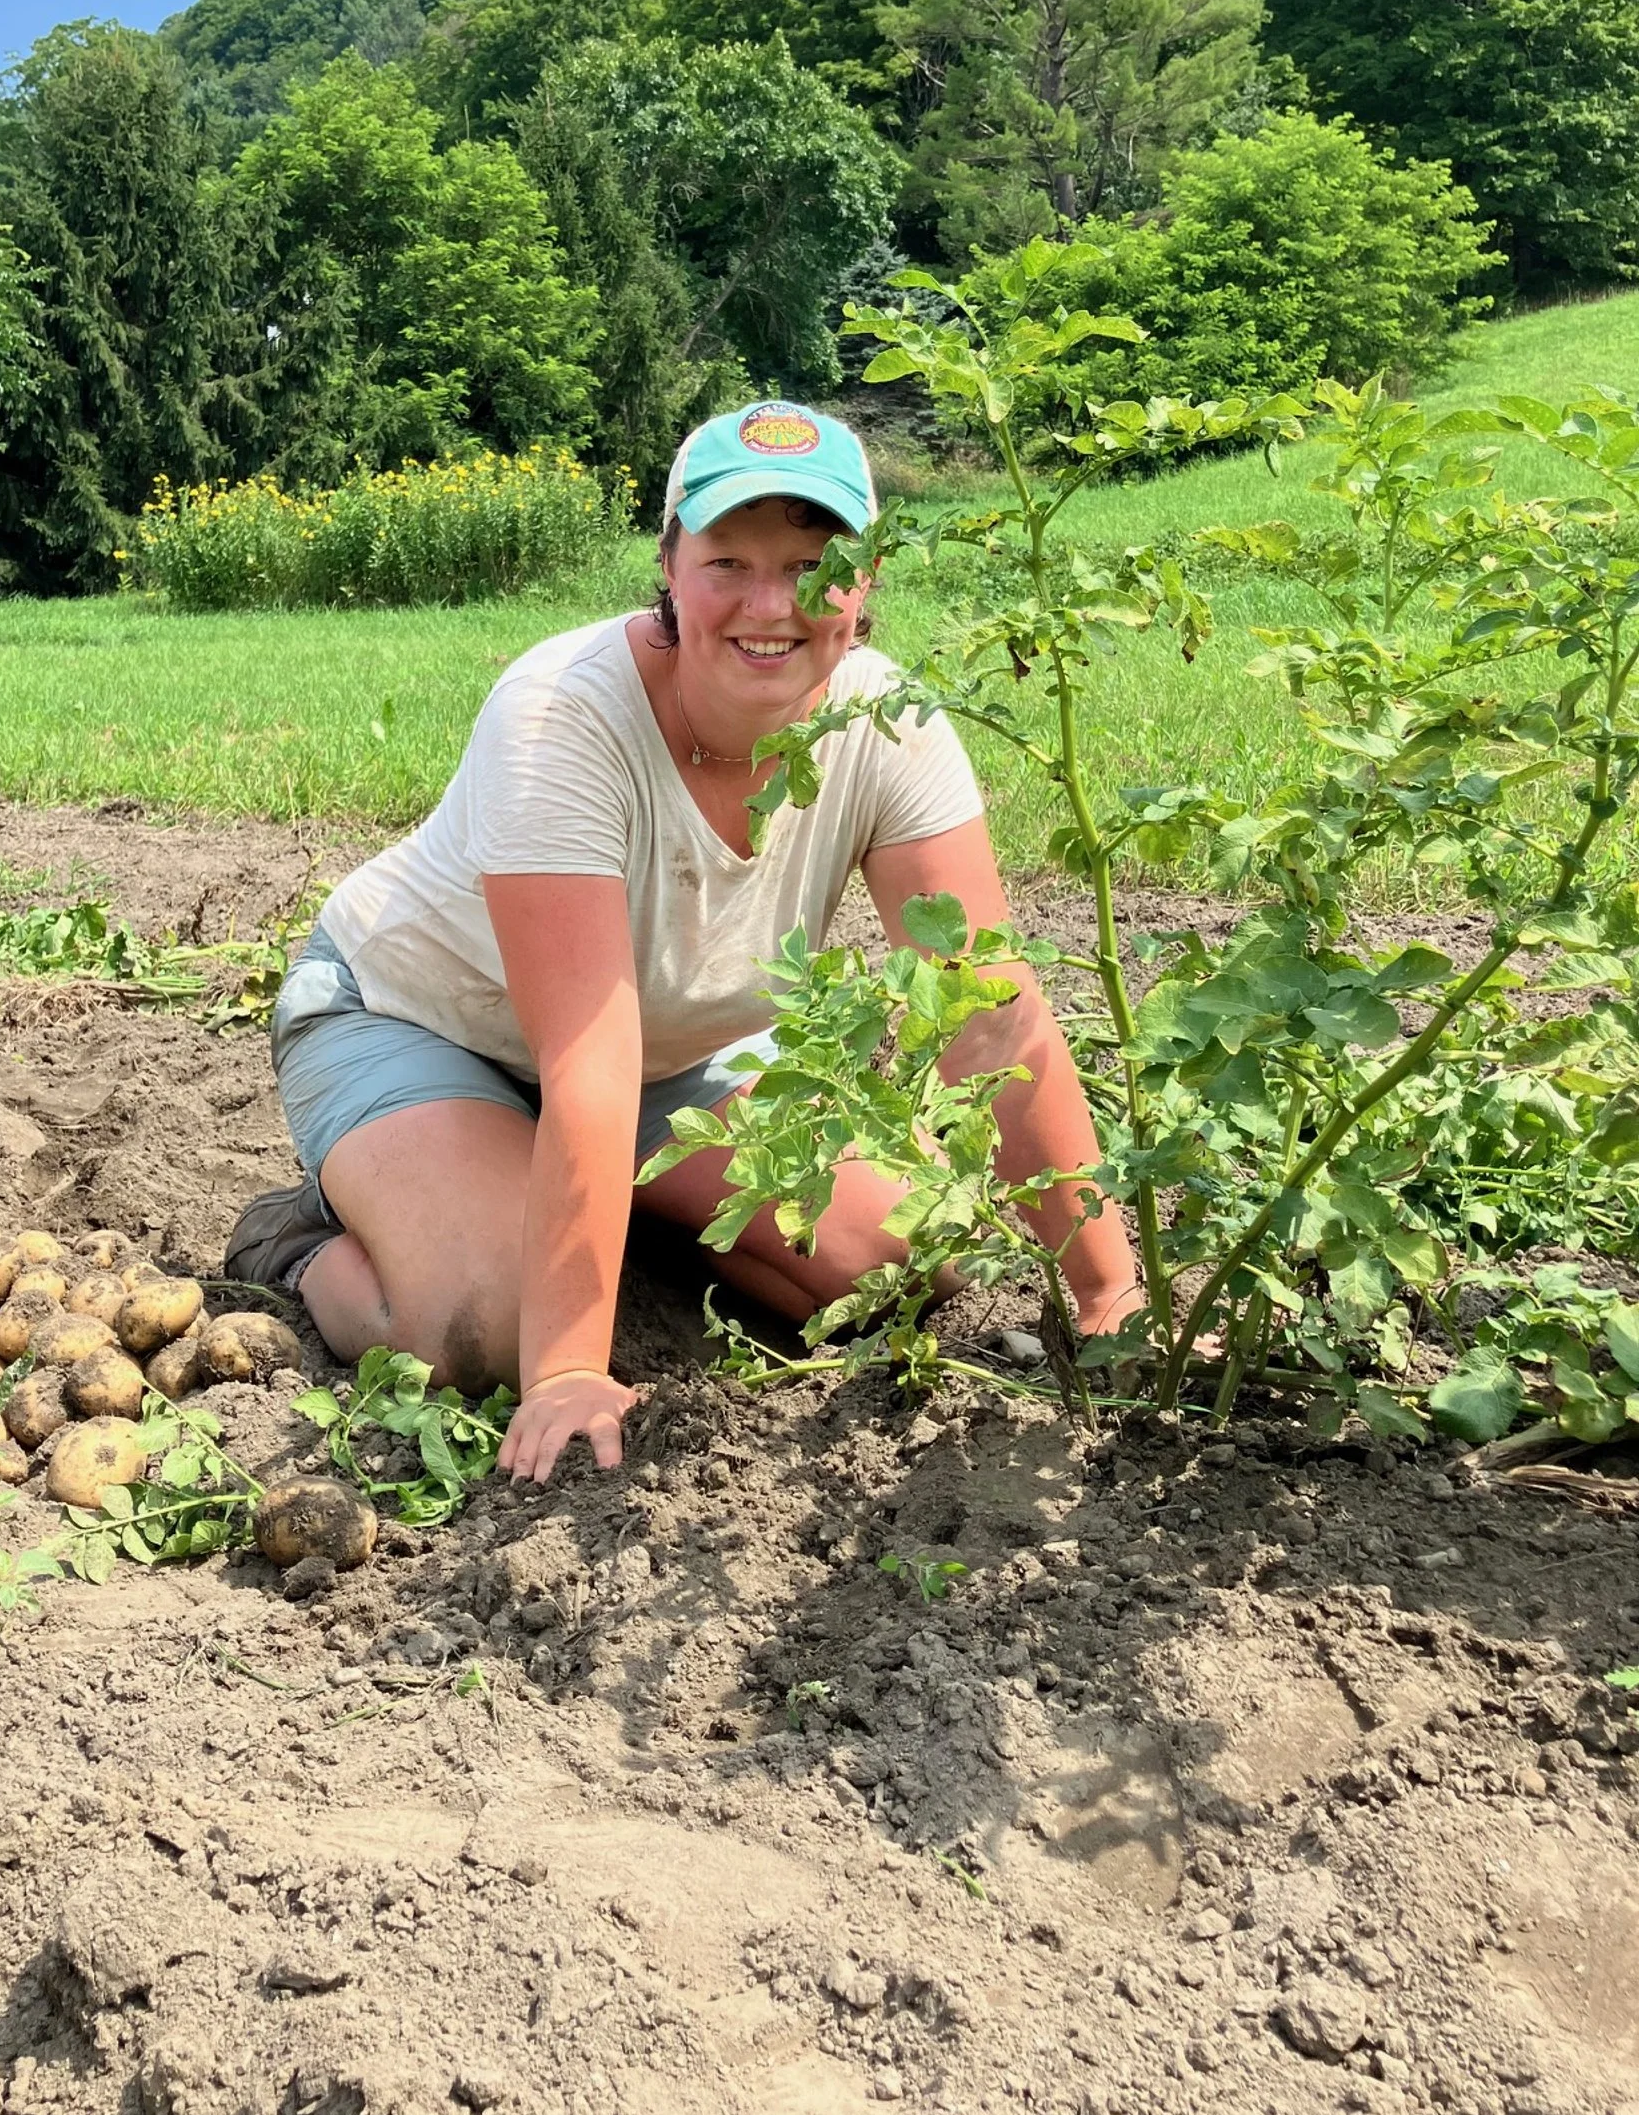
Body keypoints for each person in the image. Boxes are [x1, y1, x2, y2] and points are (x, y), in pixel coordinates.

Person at [226, 399, 1140, 1484]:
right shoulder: (564, 715)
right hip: (422, 1022)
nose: (771, 603)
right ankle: (302, 1245)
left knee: (901, 1260)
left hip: (673, 1058)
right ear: (668, 562)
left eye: (811, 564)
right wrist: (565, 1368)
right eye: (730, 562)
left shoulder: (891, 726)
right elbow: (589, 1059)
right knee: (484, 1334)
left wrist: (1110, 1296)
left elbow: (986, 1018)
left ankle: (584, 1198)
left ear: (868, 579)